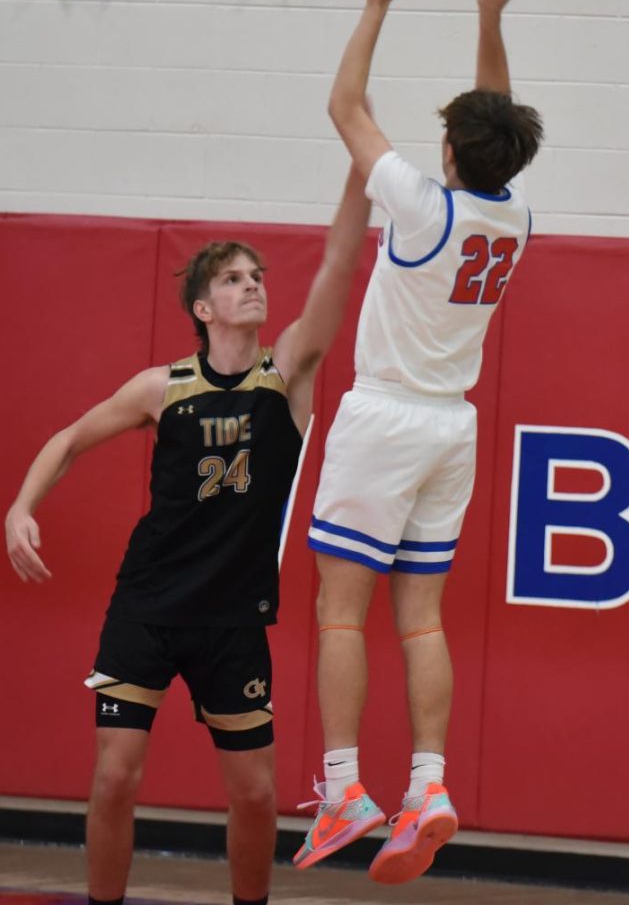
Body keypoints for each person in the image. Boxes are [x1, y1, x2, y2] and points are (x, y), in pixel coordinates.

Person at [5, 163, 371, 905]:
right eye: (234, 279)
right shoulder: (161, 387)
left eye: (257, 275)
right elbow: (70, 439)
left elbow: (337, 266)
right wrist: (20, 506)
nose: (253, 285)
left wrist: (360, 180)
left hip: (233, 617)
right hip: (147, 604)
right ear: (203, 307)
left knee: (257, 797)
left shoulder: (288, 370)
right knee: (113, 778)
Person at [294, 0, 544, 884]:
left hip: (386, 417)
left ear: (447, 147)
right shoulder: (511, 217)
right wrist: (488, 18)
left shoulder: (419, 204)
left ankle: (348, 786)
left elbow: (343, 106)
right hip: (453, 429)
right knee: (422, 620)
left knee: (341, 615)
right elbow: (496, 123)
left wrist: (376, 5)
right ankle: (430, 784)